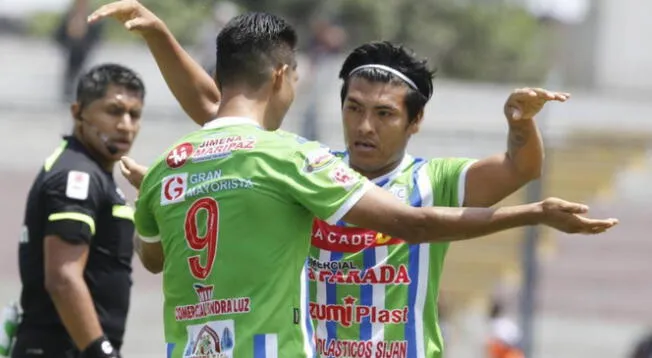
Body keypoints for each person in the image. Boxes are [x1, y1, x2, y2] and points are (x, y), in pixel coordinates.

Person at [90, 3, 617, 357]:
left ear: (415, 122)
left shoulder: (434, 180)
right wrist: (161, 35)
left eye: (384, 114)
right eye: (353, 107)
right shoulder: (310, 165)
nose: (364, 125)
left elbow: (521, 169)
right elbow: (222, 113)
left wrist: (521, 126)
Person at [12, 64, 145, 358]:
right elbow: (63, 277)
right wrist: (100, 351)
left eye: (134, 114)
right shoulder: (76, 176)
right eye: (113, 111)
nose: (126, 125)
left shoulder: (96, 174)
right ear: (77, 112)